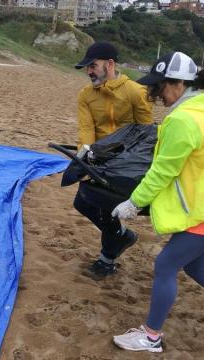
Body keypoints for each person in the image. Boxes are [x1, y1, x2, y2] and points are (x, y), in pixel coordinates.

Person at [110, 52, 204, 353]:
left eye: (161, 87)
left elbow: (163, 171)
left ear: (179, 84)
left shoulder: (183, 119)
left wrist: (133, 203)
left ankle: (150, 336)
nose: (157, 95)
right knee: (196, 267)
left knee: (165, 264)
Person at [73, 42, 153, 280]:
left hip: (126, 166)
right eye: (87, 67)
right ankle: (123, 235)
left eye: (93, 66)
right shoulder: (85, 95)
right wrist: (82, 161)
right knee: (83, 203)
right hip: (98, 161)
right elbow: (86, 131)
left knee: (106, 209)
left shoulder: (136, 92)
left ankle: (107, 261)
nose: (89, 72)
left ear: (110, 64)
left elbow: (146, 134)